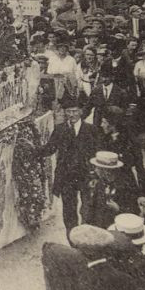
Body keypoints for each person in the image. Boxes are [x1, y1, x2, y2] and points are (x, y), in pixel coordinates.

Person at [17, 98, 103, 230]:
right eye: (69, 111)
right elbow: (49, 149)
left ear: (81, 112)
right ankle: (72, 239)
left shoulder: (91, 130)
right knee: (69, 213)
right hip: (66, 177)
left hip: (86, 176)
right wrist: (32, 149)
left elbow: (98, 152)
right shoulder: (60, 129)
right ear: (65, 113)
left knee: (87, 209)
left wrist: (96, 173)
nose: (72, 115)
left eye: (75, 111)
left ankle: (86, 238)